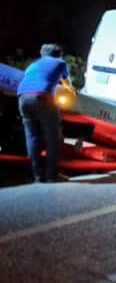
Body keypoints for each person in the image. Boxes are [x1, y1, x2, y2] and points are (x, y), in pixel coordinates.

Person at [17, 43, 73, 182]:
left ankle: (37, 176)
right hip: (42, 96)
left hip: (23, 97)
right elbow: (66, 82)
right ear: (58, 54)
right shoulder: (60, 63)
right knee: (53, 137)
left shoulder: (32, 65)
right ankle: (52, 176)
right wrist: (72, 91)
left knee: (32, 137)